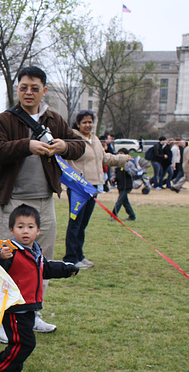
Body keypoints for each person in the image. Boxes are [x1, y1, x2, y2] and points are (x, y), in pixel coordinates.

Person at [0, 65, 85, 333]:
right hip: (14, 200)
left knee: (41, 259)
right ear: (17, 89)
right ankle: (3, 317)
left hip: (45, 201)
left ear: (44, 91)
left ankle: (32, 311)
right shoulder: (4, 120)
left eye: (35, 88)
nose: (29, 93)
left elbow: (79, 145)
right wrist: (26, 146)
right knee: (8, 259)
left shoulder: (55, 119)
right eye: (23, 87)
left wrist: (65, 146)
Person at [0, 204, 78, 372]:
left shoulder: (35, 251)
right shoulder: (9, 251)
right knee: (24, 343)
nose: (25, 231)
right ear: (12, 230)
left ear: (38, 231)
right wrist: (1, 258)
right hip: (14, 307)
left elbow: (46, 268)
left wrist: (67, 269)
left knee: (22, 342)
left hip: (28, 306)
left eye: (30, 227)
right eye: (20, 227)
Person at [63, 110, 129, 269]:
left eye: (90, 122)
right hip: (78, 187)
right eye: (84, 122)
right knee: (75, 224)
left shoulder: (95, 139)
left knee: (83, 224)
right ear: (78, 124)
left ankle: (79, 255)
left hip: (93, 186)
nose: (88, 125)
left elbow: (104, 158)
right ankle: (71, 258)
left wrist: (122, 159)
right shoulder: (73, 139)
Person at [111, 148, 137, 221]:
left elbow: (134, 173)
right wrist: (113, 178)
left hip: (127, 186)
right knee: (125, 202)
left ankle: (113, 215)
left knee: (119, 201)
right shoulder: (117, 165)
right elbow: (115, 174)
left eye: (121, 154)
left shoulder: (130, 164)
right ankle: (132, 216)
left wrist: (126, 169)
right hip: (120, 185)